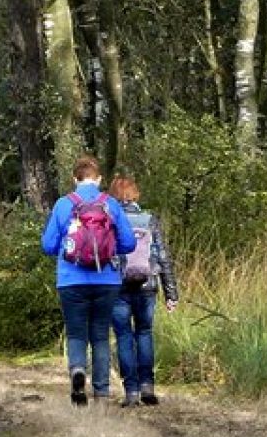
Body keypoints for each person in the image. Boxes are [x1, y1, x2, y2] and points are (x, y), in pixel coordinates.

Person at [40, 155, 135, 406]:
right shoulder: (110, 204)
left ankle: (78, 370)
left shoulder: (63, 204)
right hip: (106, 279)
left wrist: (66, 249)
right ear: (99, 178)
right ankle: (101, 391)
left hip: (71, 279)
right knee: (101, 335)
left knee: (76, 333)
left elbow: (47, 245)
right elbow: (129, 243)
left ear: (75, 179)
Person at [109, 172, 180, 407]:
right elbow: (163, 256)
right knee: (145, 333)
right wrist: (172, 293)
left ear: (115, 195)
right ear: (135, 194)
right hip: (147, 285)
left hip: (118, 287)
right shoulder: (149, 219)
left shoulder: (110, 220)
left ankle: (131, 391)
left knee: (124, 337)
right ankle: (148, 386)